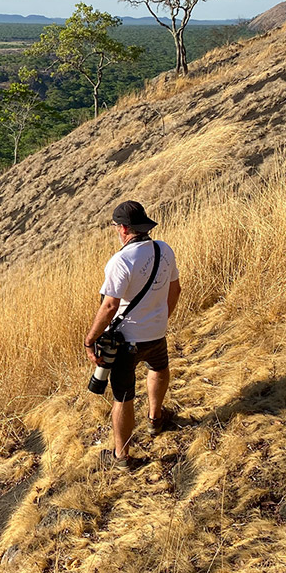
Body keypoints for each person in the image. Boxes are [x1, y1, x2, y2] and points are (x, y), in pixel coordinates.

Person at [84, 201, 181, 469]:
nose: (116, 230)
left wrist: (90, 339)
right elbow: (176, 289)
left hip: (125, 342)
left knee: (123, 396)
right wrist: (162, 318)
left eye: (116, 226)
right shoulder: (164, 249)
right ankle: (155, 418)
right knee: (159, 368)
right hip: (156, 332)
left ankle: (122, 457)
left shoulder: (121, 261)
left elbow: (110, 306)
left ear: (124, 229)